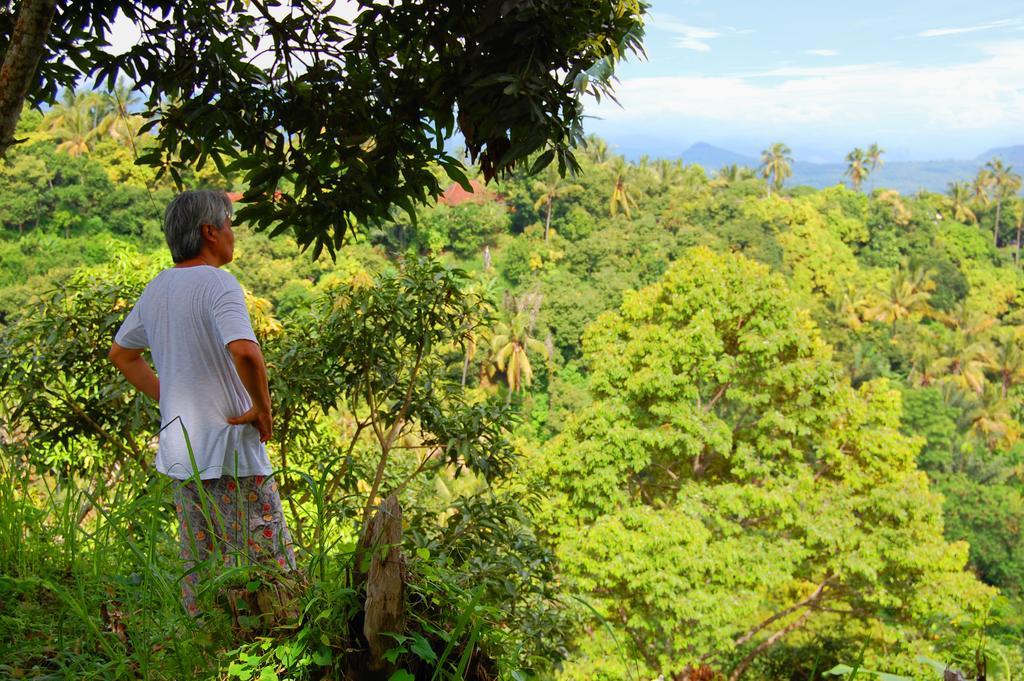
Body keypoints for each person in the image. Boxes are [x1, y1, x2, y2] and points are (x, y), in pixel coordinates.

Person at [108, 189, 296, 617]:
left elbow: (122, 354)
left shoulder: (157, 288)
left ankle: (209, 651)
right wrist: (262, 408)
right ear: (210, 232)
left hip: (182, 455)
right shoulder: (217, 283)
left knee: (203, 571)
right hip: (230, 451)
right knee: (271, 573)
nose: (233, 234)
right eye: (229, 224)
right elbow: (246, 352)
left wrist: (168, 394)